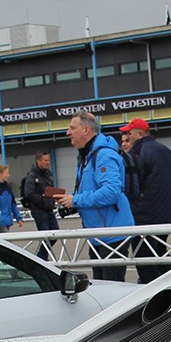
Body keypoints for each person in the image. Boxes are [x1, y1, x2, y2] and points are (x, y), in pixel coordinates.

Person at [58, 112, 134, 281]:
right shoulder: (86, 155)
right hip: (98, 235)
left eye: (72, 128)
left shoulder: (103, 155)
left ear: (86, 130)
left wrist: (76, 200)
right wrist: (71, 201)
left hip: (113, 235)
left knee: (111, 288)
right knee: (101, 285)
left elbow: (111, 192)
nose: (67, 132)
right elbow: (91, 189)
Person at [123, 118, 171, 280]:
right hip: (167, 214)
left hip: (145, 216)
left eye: (129, 133)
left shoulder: (138, 153)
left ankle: (155, 294)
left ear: (139, 134)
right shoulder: (165, 150)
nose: (127, 137)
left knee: (145, 261)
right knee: (161, 254)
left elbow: (133, 186)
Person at [21, 151, 61, 259]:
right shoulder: (32, 175)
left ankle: (41, 256)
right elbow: (28, 193)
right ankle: (41, 257)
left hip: (49, 209)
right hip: (39, 210)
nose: (48, 162)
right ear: (38, 161)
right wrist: (42, 200)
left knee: (55, 233)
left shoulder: (48, 175)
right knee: (46, 236)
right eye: (45, 160)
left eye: (48, 160)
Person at [0, 164, 22, 232]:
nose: (8, 175)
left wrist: (18, 218)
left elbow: (13, 204)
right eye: (7, 173)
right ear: (0, 174)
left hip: (6, 221)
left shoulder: (8, 188)